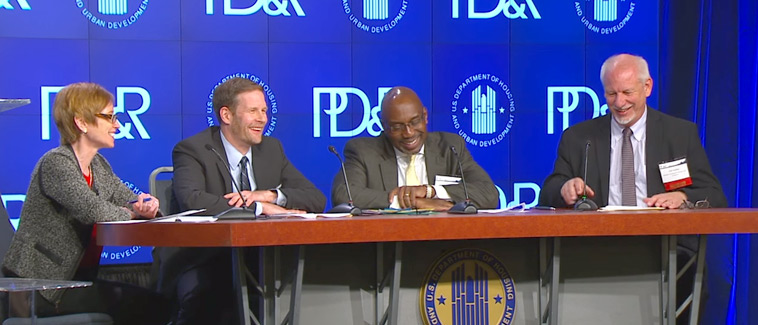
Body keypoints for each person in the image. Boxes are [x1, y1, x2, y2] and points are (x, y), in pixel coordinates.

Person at [155, 77, 326, 324]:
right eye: (253, 111)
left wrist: (270, 196)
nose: (262, 119)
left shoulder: (271, 150)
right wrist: (259, 209)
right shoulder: (193, 149)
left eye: (265, 111)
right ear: (226, 115)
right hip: (204, 259)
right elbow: (192, 201)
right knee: (206, 295)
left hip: (263, 259)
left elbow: (315, 198)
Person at [1, 82, 164, 323]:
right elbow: (92, 210)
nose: (117, 125)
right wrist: (132, 213)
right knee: (147, 306)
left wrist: (147, 206)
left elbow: (127, 198)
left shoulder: (99, 165)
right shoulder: (56, 163)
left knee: (157, 303)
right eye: (109, 117)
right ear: (82, 122)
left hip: (75, 281)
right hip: (42, 288)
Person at [539, 53, 727, 209]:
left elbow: (714, 195)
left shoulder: (679, 134)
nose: (620, 103)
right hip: (595, 244)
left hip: (663, 242)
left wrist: (682, 196)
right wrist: (565, 188)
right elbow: (548, 193)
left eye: (627, 92)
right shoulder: (578, 137)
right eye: (612, 94)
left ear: (647, 87)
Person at [331, 86, 498, 210]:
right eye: (397, 127)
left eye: (414, 122)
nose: (409, 133)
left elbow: (489, 193)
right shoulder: (364, 151)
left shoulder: (450, 147)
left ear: (425, 117)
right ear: (384, 126)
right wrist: (413, 203)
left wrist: (430, 192)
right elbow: (344, 195)